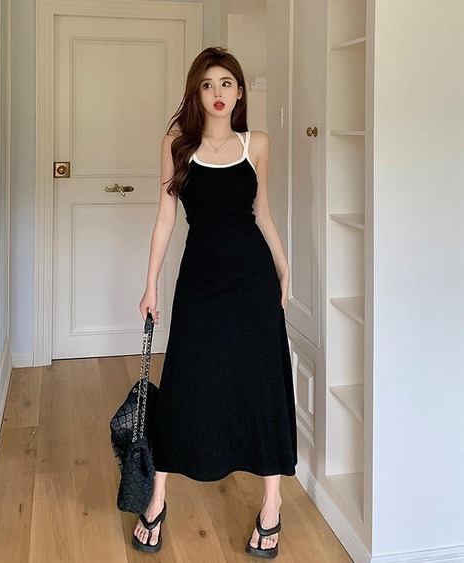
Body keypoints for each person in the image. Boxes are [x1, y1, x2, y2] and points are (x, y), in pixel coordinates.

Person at [133, 46, 298, 559]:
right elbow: (165, 219)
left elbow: (262, 212)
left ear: (240, 91)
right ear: (196, 94)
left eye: (226, 83)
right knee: (186, 380)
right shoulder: (177, 146)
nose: (218, 93)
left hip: (252, 278)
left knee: (262, 382)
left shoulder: (258, 144)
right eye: (208, 85)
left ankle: (271, 504)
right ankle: (157, 496)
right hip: (200, 280)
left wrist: (284, 266)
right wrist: (151, 284)